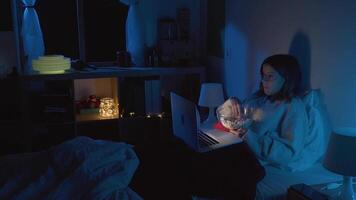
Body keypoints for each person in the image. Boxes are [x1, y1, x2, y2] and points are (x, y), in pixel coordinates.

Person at [220, 54, 309, 171]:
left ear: (286, 78)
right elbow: (224, 114)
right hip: (237, 147)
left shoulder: (293, 107)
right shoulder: (260, 97)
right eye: (263, 75)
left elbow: (288, 153)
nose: (264, 81)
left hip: (253, 161)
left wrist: (248, 136)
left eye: (270, 76)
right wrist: (231, 103)